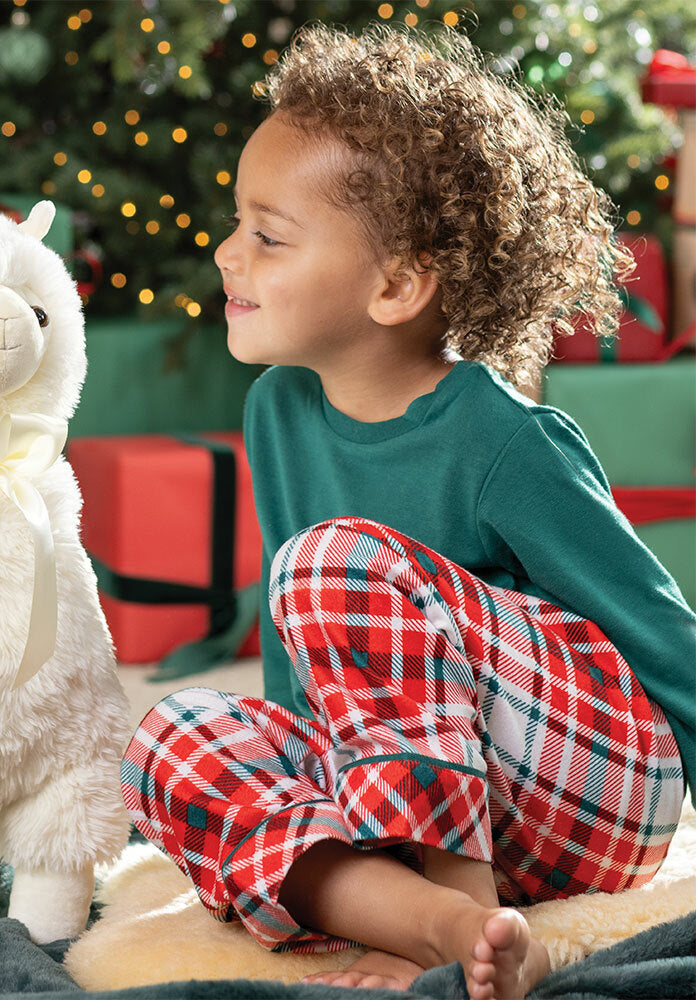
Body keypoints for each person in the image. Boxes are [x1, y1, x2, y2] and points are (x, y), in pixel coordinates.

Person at [121, 22, 694, 1000]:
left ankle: (447, 899)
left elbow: (663, 645)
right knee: (167, 738)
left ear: (394, 284)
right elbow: (302, 661)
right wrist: (289, 775)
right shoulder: (278, 410)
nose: (225, 254)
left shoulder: (504, 438)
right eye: (236, 224)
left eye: (266, 235)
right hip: (424, 788)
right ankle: (444, 922)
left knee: (328, 562)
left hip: (594, 781)